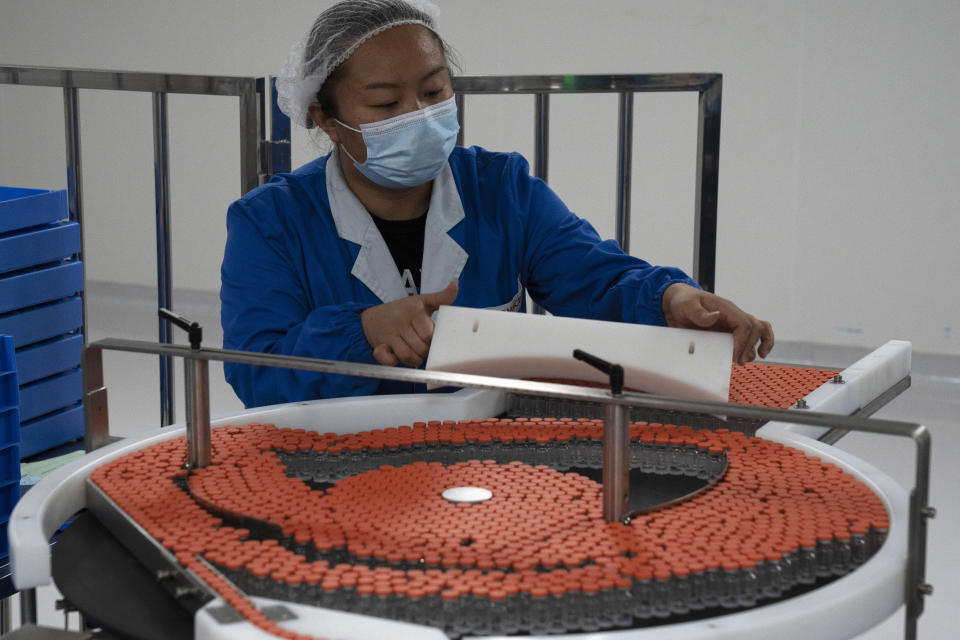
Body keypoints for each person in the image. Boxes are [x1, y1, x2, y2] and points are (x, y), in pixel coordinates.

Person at [220, 0, 774, 408]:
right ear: (323, 117)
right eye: (386, 102)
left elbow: (595, 279)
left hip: (494, 453)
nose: (418, 114)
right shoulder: (271, 223)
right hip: (334, 460)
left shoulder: (501, 188)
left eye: (434, 92)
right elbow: (257, 373)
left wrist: (671, 298)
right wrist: (361, 333)